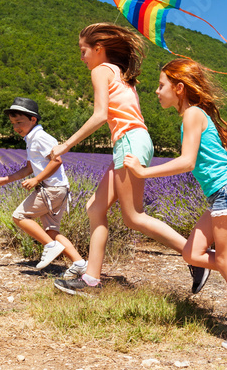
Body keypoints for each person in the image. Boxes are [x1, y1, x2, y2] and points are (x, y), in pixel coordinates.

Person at [124, 59, 227, 350]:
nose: (157, 92)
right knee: (191, 253)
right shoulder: (196, 115)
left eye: (161, 85)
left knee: (226, 263)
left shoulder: (193, 114)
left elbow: (187, 161)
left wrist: (143, 171)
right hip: (226, 193)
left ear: (179, 88)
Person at [49, 23, 209, 295]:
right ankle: (91, 279)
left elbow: (100, 115)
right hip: (134, 141)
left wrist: (66, 144)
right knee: (95, 207)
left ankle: (195, 257)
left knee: (134, 216)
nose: (82, 58)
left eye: (83, 51)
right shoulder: (119, 73)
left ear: (99, 50)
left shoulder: (101, 70)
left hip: (129, 142)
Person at [0, 97, 84, 271]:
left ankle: (50, 246)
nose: (16, 127)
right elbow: (29, 168)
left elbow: (57, 161)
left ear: (33, 119)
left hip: (51, 190)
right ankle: (79, 264)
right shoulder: (32, 138)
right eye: (13, 123)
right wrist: (6, 179)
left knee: (20, 216)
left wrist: (37, 180)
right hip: (57, 189)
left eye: (19, 122)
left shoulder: (40, 137)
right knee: (52, 231)